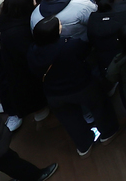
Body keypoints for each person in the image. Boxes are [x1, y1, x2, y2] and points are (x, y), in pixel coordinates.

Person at [26, 16, 119, 157]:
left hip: (53, 93)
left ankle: (84, 146)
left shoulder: (32, 51)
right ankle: (108, 133)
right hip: (81, 85)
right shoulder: (69, 45)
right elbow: (85, 51)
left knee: (70, 120)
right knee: (100, 106)